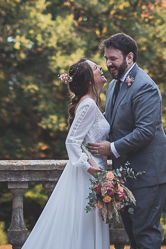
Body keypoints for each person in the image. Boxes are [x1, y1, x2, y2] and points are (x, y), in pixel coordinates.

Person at [86, 33, 166, 249]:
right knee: (134, 236)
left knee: (145, 235)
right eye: (106, 58)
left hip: (148, 173)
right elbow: (110, 122)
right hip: (125, 175)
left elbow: (146, 131)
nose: (108, 63)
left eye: (113, 58)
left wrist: (111, 148)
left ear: (129, 57)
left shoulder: (145, 86)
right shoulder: (114, 85)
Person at [20, 58, 111, 249]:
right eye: (96, 67)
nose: (101, 67)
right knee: (83, 231)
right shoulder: (88, 104)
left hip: (96, 174)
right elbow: (71, 141)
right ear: (89, 80)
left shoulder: (92, 103)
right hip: (88, 176)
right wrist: (89, 168)